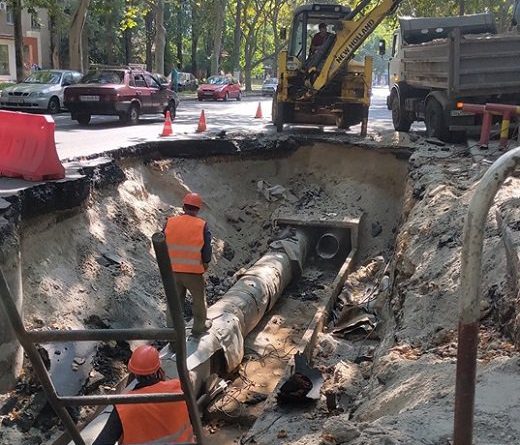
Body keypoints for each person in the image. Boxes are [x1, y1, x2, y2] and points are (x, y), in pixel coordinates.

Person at [92, 345, 194, 445]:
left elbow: (103, 441)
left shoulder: (124, 406)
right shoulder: (179, 388)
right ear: (158, 367)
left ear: (134, 372)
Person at [164, 192, 212, 336]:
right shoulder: (201, 225)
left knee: (174, 303)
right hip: (193, 272)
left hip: (172, 271)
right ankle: (198, 328)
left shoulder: (170, 222)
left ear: (183, 206)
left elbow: (162, 242)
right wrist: (205, 262)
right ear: (198, 209)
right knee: (198, 300)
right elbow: (207, 248)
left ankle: (173, 333)